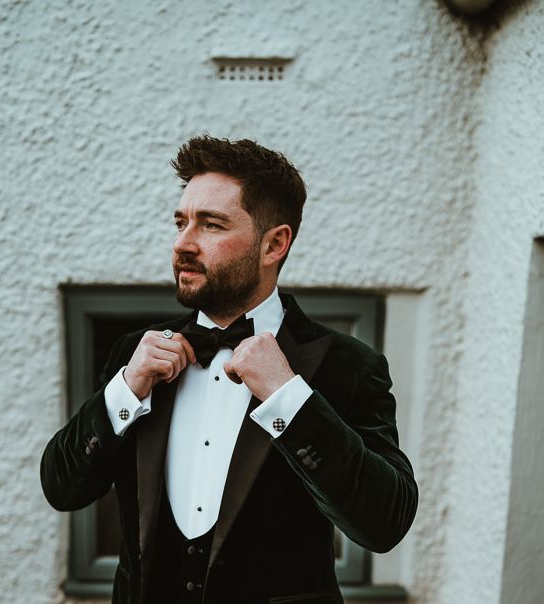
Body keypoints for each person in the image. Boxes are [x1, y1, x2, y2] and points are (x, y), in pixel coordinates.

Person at [40, 135, 418, 604]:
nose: (183, 243)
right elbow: (61, 487)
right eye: (180, 223)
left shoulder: (348, 365)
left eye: (211, 225)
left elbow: (384, 523)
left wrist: (285, 395)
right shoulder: (135, 355)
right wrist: (125, 391)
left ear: (273, 244)